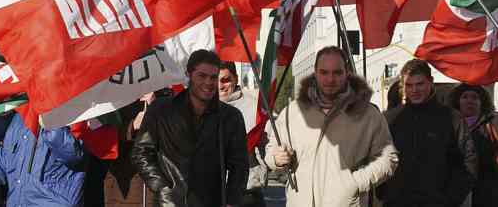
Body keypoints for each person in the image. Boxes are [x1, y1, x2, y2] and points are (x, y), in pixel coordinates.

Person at [265, 46, 398, 207]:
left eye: (337, 72)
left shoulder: (367, 114)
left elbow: (389, 158)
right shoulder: (293, 112)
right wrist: (276, 158)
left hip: (345, 203)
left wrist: (356, 183)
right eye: (324, 72)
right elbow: (272, 150)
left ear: (346, 73)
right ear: (315, 73)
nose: (330, 79)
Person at [131, 49, 247, 206]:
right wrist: (162, 187)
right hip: (169, 203)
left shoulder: (231, 117)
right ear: (189, 74)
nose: (208, 82)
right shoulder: (160, 110)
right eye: (202, 76)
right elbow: (141, 153)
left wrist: (232, 201)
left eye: (213, 77)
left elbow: (239, 166)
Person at [378, 59, 477, 207]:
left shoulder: (451, 118)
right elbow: (377, 158)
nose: (414, 90)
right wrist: (384, 193)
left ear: (430, 82)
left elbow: (469, 161)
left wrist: (451, 198)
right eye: (409, 85)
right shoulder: (389, 119)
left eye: (420, 84)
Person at [0, 109, 86, 206]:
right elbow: (5, 161)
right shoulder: (20, 117)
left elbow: (74, 155)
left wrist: (52, 125)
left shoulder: (73, 109)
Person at [218, 61, 266, 207]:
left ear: (236, 79)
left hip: (246, 194)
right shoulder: (200, 107)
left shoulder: (255, 106)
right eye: (216, 80)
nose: (220, 86)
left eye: (225, 80)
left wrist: (275, 156)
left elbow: (269, 148)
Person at [449, 84, 498, 207]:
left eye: (475, 97)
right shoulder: (449, 126)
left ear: (482, 103)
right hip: (456, 192)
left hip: (486, 193)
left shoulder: (491, 125)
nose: (469, 100)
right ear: (457, 101)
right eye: (465, 97)